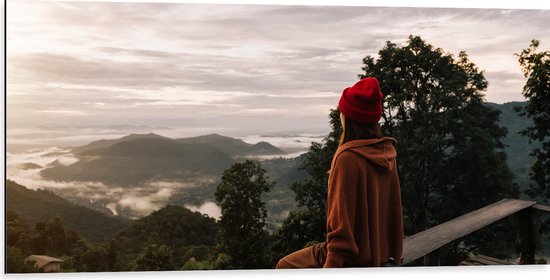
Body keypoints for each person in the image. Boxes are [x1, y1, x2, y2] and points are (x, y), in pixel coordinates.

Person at [276, 77, 404, 269]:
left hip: (353, 258)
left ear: (349, 117)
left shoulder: (347, 158)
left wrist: (331, 269)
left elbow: (341, 233)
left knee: (284, 266)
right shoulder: (387, 152)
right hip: (381, 254)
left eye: (342, 111)